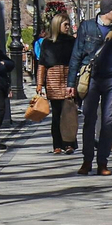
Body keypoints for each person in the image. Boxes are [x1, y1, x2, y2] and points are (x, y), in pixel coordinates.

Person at [68, 0, 112, 176]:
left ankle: (103, 162)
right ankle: (87, 161)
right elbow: (76, 54)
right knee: (89, 120)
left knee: (108, 122)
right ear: (107, 11)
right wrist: (70, 83)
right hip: (91, 78)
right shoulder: (87, 26)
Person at [35, 13, 78, 154]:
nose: (68, 27)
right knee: (56, 114)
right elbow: (42, 64)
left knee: (69, 113)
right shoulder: (47, 43)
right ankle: (57, 145)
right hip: (53, 80)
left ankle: (70, 143)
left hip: (68, 79)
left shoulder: (72, 41)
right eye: (65, 24)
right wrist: (39, 84)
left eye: (68, 24)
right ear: (57, 25)